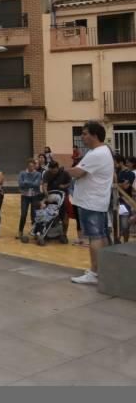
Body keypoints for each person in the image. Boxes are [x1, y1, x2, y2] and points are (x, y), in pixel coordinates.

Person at [69, 122, 114, 285]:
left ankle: (94, 272)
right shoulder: (104, 151)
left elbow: (78, 172)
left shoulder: (96, 154)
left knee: (94, 237)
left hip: (91, 202)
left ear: (95, 135)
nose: (82, 136)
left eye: (85, 133)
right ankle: (106, 269)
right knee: (101, 236)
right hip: (97, 200)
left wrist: (65, 170)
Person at [43, 160, 73, 239]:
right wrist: (46, 193)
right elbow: (45, 185)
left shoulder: (64, 173)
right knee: (49, 214)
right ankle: (46, 232)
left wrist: (64, 186)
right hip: (51, 196)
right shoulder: (47, 173)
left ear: (57, 168)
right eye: (51, 170)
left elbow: (70, 182)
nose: (53, 172)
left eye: (54, 170)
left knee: (65, 216)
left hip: (63, 196)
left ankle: (64, 234)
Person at [18, 159, 42, 239]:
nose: (30, 167)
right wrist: (31, 183)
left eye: (32, 166)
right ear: (27, 166)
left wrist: (26, 182)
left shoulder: (38, 174)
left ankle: (35, 232)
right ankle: (20, 231)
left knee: (34, 215)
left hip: (35, 196)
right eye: (29, 166)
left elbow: (37, 184)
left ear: (35, 166)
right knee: (23, 214)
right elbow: (21, 184)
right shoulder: (22, 173)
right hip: (25, 196)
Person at [115, 154, 134, 243]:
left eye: (115, 163)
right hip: (115, 201)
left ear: (121, 162)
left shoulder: (130, 173)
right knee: (116, 224)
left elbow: (126, 186)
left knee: (125, 224)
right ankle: (117, 241)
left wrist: (116, 185)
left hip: (125, 202)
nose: (114, 165)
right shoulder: (116, 172)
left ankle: (125, 242)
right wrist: (120, 185)